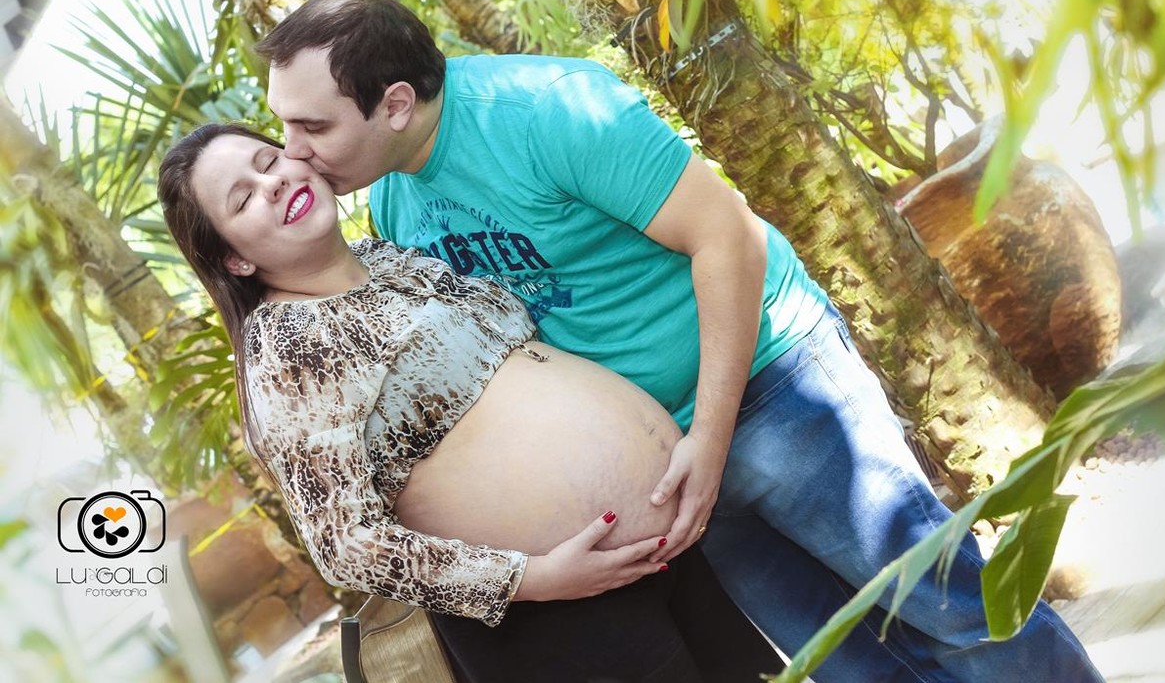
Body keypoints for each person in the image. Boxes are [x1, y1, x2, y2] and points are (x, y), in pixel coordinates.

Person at [253, 0, 1105, 682]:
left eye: (311, 126)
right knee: (844, 653)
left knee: (949, 606)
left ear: (395, 102)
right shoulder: (397, 203)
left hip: (772, 390)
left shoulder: (547, 110)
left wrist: (712, 424)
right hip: (674, 470)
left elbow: (724, 235)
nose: (293, 151)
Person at [157, 122, 783, 683]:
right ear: (235, 259)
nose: (269, 185)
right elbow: (344, 544)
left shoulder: (391, 255)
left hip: (660, 554)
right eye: (241, 199)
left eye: (268, 162)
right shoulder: (288, 341)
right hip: (556, 619)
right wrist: (533, 580)